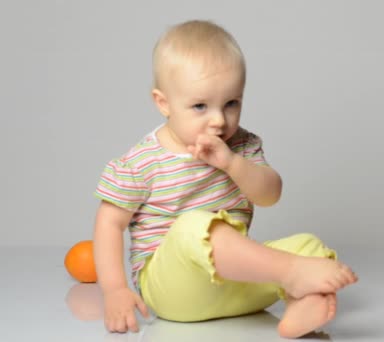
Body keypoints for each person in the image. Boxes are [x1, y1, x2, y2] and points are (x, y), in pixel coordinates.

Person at [93, 19, 358, 339]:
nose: (219, 120)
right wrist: (115, 290)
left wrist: (232, 163)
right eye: (200, 106)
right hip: (177, 292)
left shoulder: (242, 146)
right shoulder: (142, 162)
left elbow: (270, 194)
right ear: (163, 103)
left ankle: (299, 302)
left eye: (231, 103)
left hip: (237, 284)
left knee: (309, 245)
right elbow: (110, 223)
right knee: (193, 225)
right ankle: (291, 274)